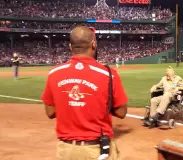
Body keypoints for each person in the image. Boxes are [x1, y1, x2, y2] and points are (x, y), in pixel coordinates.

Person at [41, 26, 128, 160]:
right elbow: (121, 112)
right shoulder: (109, 74)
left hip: (66, 151)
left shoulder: (54, 73)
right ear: (93, 44)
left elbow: (50, 112)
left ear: (70, 46)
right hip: (97, 151)